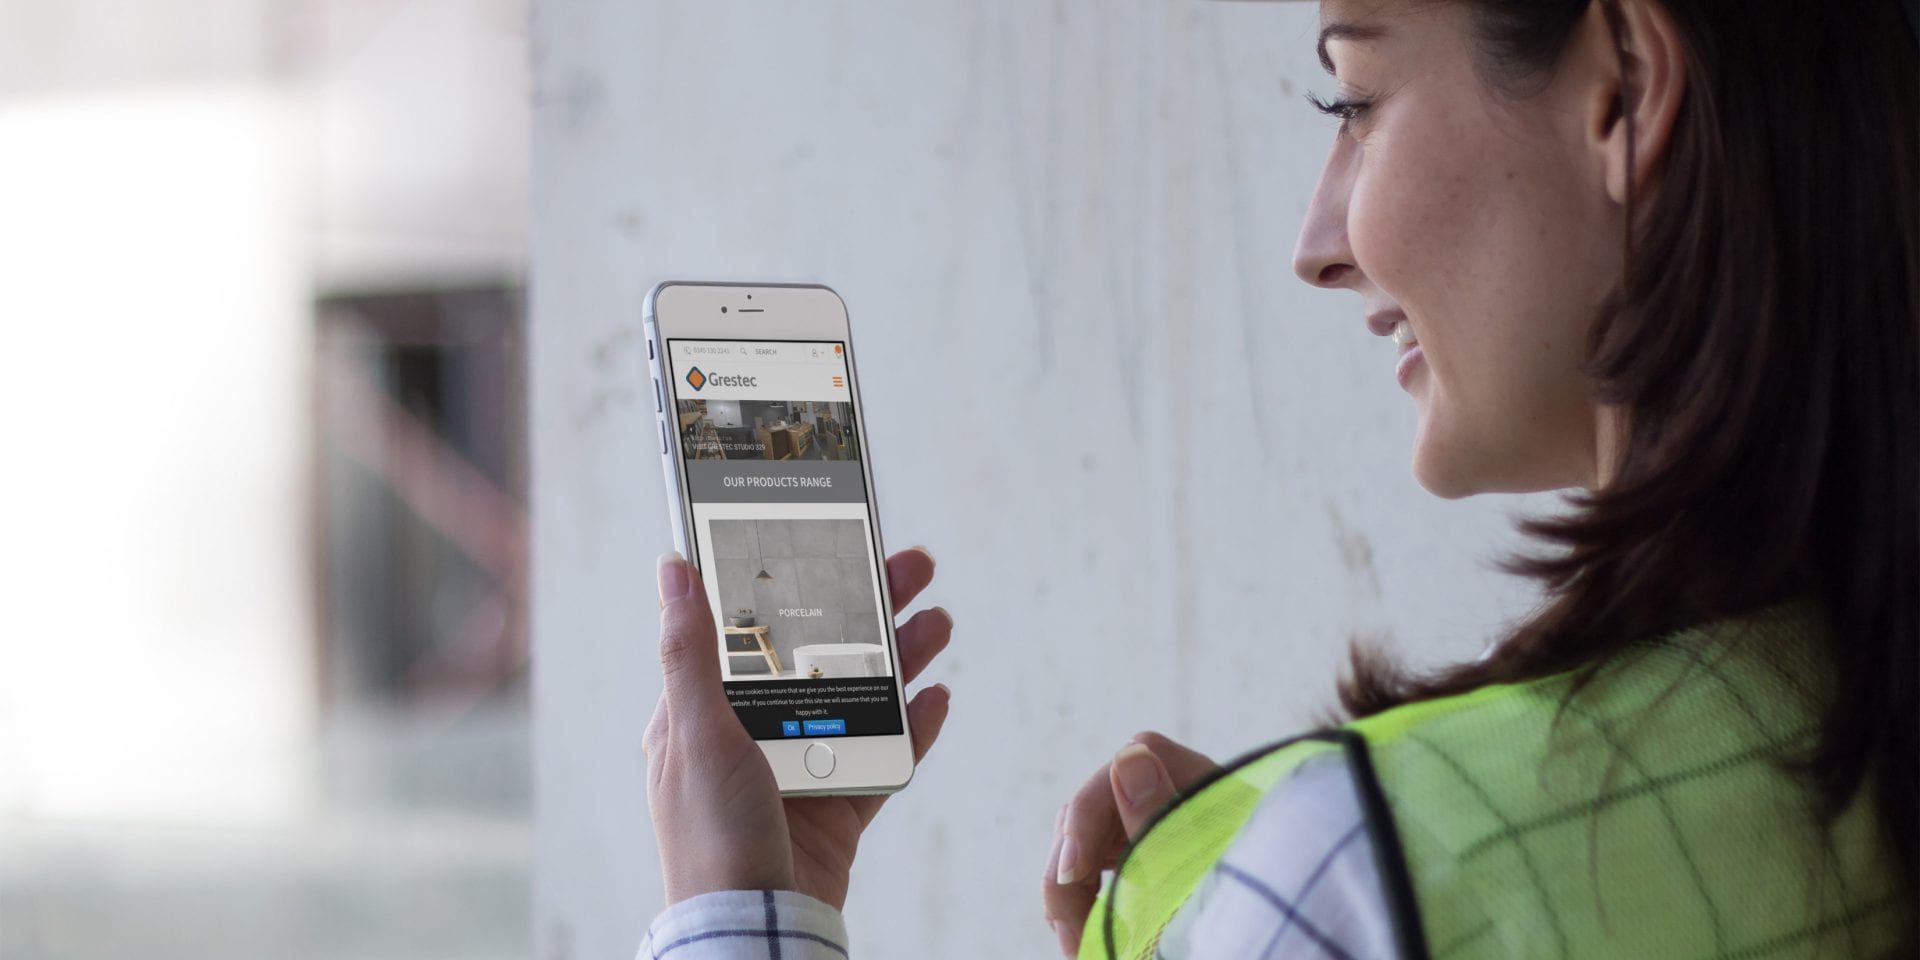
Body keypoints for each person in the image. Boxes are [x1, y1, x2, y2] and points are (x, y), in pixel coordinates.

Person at [636, 0, 1918, 957]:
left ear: (1626, 89)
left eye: (1353, 102)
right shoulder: (1856, 722)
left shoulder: (1377, 862)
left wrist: (743, 907)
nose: (1317, 245)